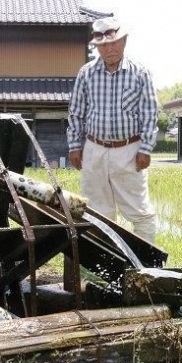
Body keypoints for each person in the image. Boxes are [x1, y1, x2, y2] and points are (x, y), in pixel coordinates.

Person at [66, 16, 159, 243]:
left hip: (129, 149)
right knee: (97, 212)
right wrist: (75, 146)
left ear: (124, 41)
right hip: (94, 149)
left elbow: (149, 113)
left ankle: (145, 266)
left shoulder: (140, 73)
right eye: (103, 45)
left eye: (114, 42)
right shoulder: (86, 73)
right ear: (97, 47)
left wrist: (145, 149)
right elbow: (76, 112)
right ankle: (103, 269)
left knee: (140, 211)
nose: (109, 48)